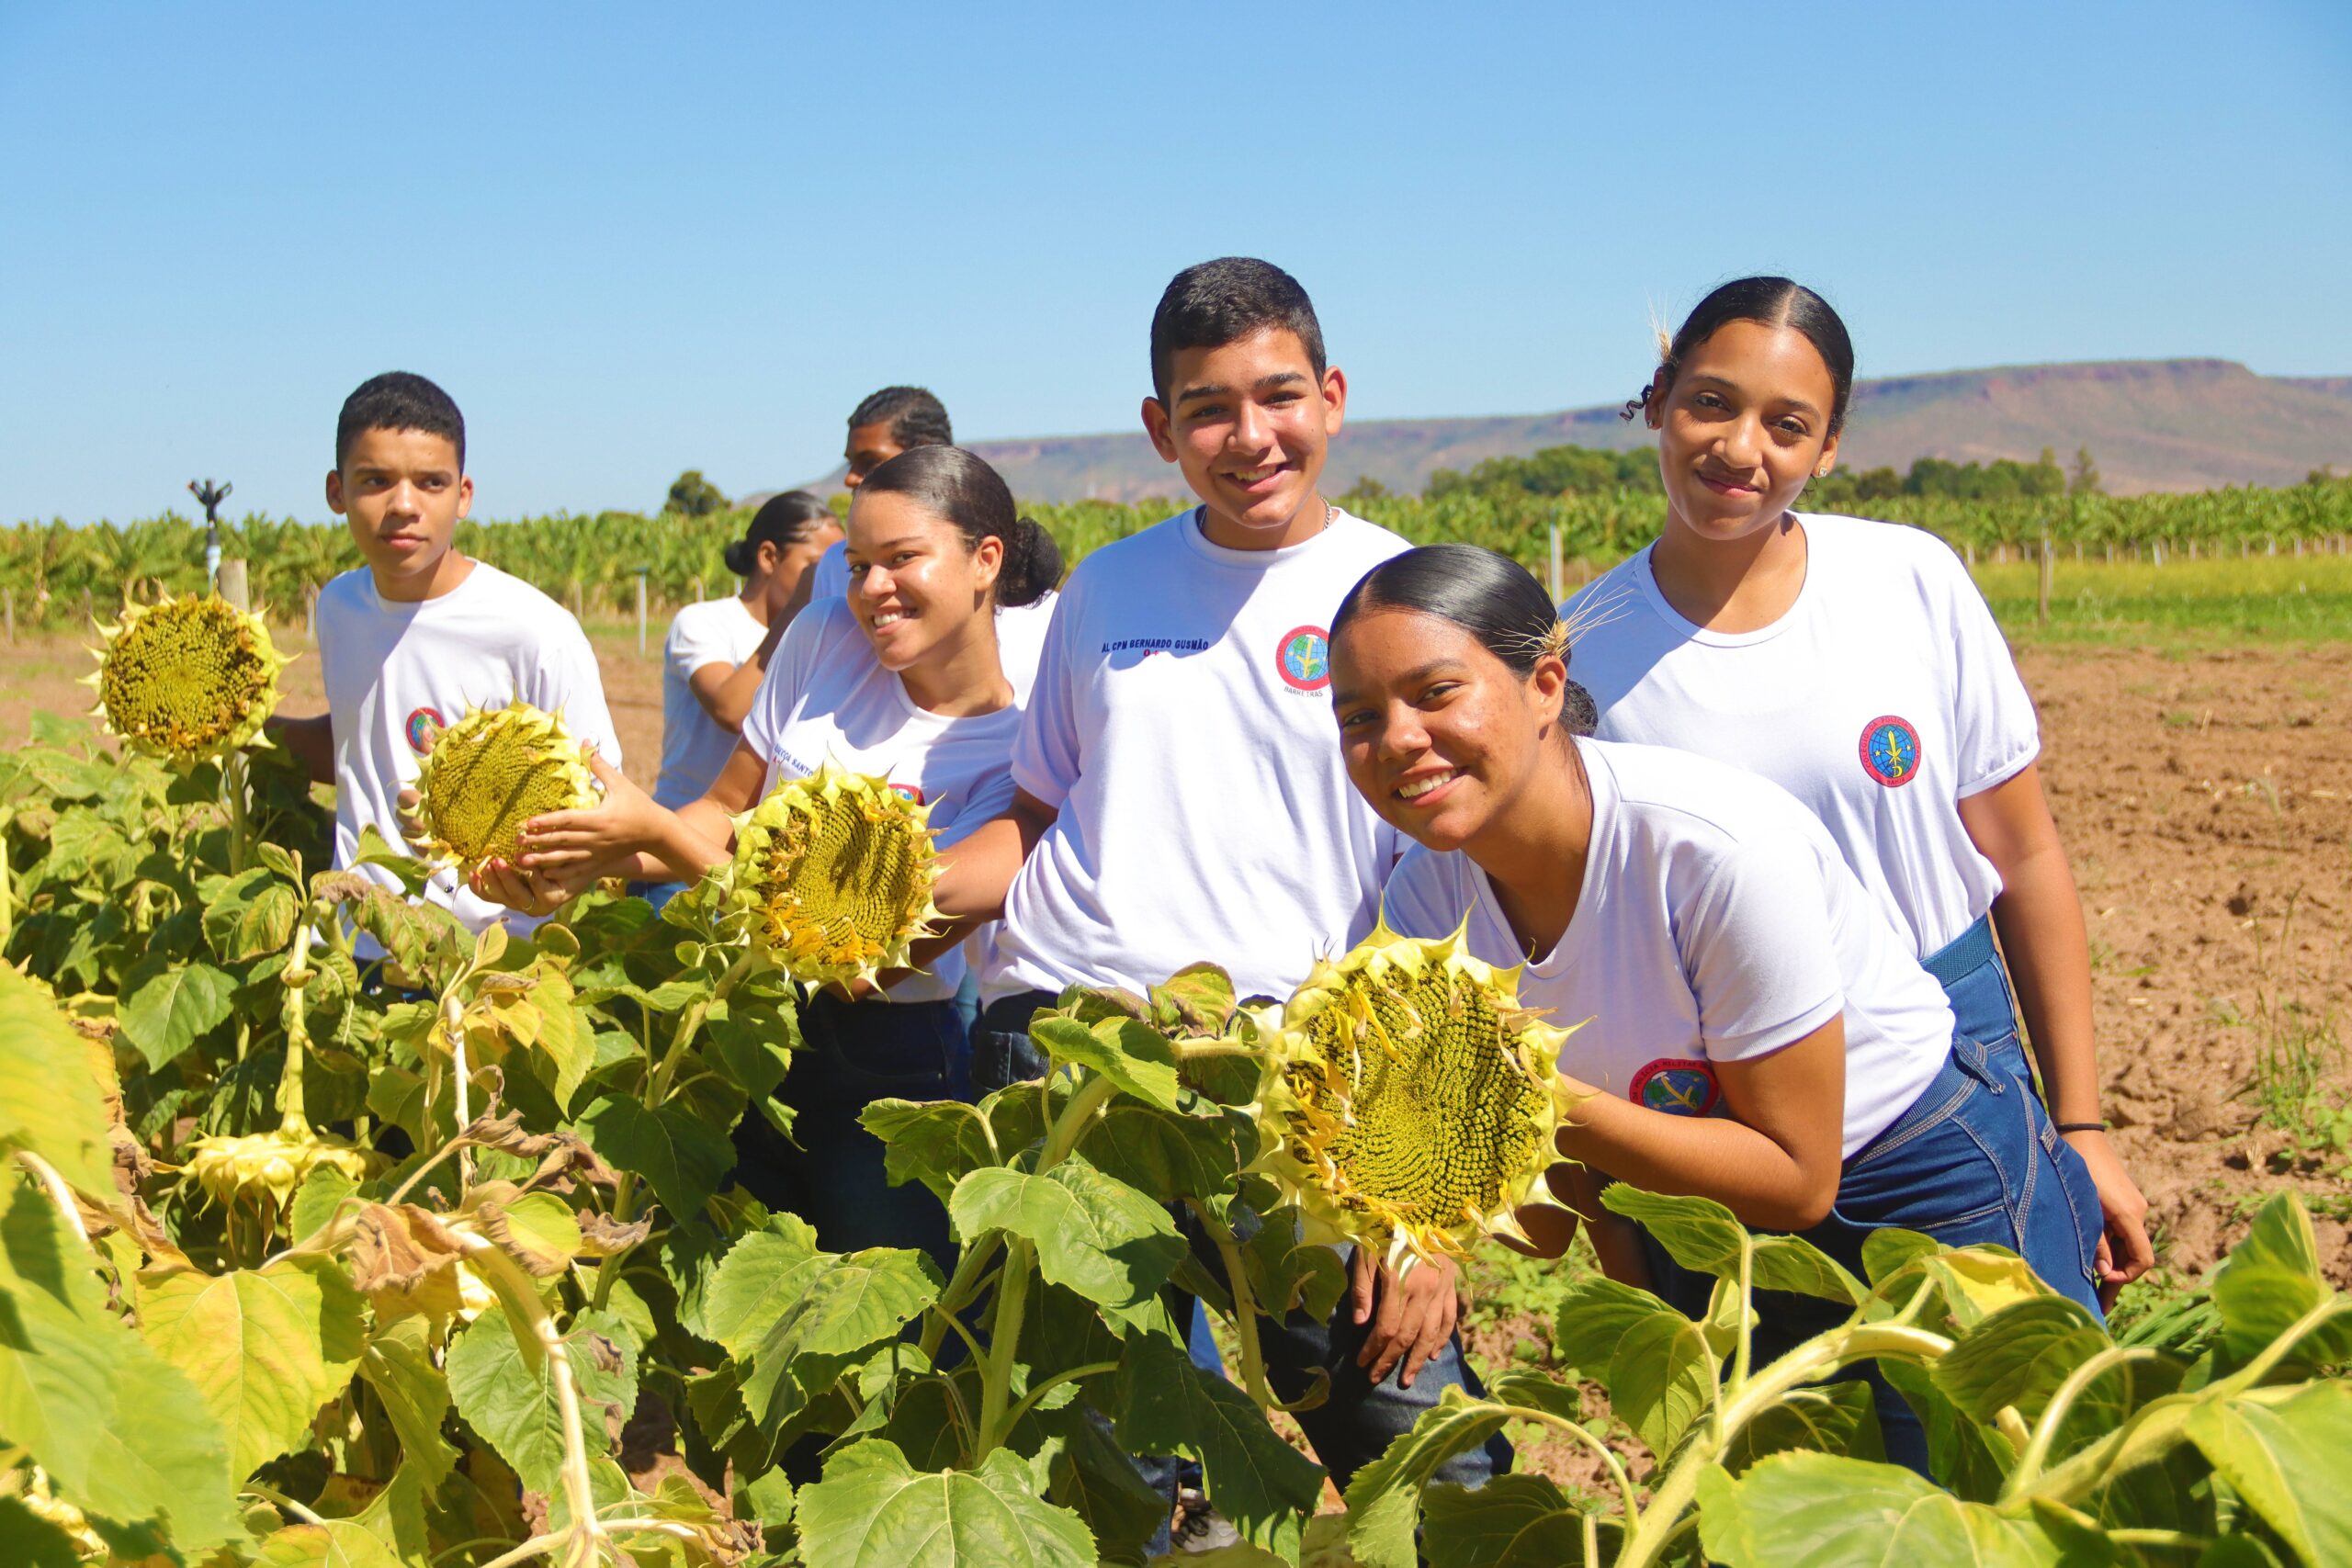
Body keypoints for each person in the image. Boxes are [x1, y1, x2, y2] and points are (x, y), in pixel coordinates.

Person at [1329, 543, 2106, 1472]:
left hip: (1912, 1185)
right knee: (1784, 1509)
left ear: (1543, 686)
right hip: (1690, 1214)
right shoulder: (1424, 903)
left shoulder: (1712, 854)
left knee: (2007, 1487)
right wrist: (1424, 1229)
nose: (1399, 739)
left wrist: (1533, 1092)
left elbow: (1795, 1174)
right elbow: (1548, 1220)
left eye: (1435, 692)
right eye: (1359, 717)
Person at [942, 258, 1509, 1511]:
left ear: (1334, 396)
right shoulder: (1109, 587)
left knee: (1427, 1449)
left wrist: (1434, 1206)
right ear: (1162, 429)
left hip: (1316, 1073)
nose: (1249, 436)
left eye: (1278, 395)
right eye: (1207, 407)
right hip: (1077, 1052)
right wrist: (890, 895)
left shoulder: (1416, 594)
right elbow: (1037, 815)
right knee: (1119, 1464)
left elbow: (1482, 904)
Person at [1563, 276, 2151, 1303]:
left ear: (1826, 447)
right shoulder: (1579, 656)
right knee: (1793, 1437)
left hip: (1953, 1041)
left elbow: (2023, 857)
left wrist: (2083, 1127)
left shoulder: (1906, 581)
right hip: (1723, 1096)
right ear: (1657, 399)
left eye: (1786, 424)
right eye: (1710, 402)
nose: (1741, 448)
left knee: (2013, 1401)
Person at [483, 446, 1059, 1275]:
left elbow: (857, 967)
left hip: (889, 1064)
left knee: (873, 1310)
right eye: (858, 565)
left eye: (902, 560)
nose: (871, 590)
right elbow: (723, 810)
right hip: (742, 1024)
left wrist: (650, 828)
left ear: (986, 560)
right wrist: (595, 855)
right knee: (738, 1286)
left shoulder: (1017, 754)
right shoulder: (825, 640)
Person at [264, 371, 621, 956]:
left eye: (430, 483)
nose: (404, 505)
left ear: (463, 495)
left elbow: (601, 804)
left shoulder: (532, 630)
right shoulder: (338, 608)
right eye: (375, 481)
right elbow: (361, 741)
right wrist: (248, 736)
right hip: (357, 948)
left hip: (490, 960)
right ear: (336, 491)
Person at [640, 491, 841, 903]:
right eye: (816, 567)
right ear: (768, 557)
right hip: (679, 853)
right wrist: (801, 609)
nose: (825, 581)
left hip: (762, 862)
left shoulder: (822, 639)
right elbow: (732, 709)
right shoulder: (702, 622)